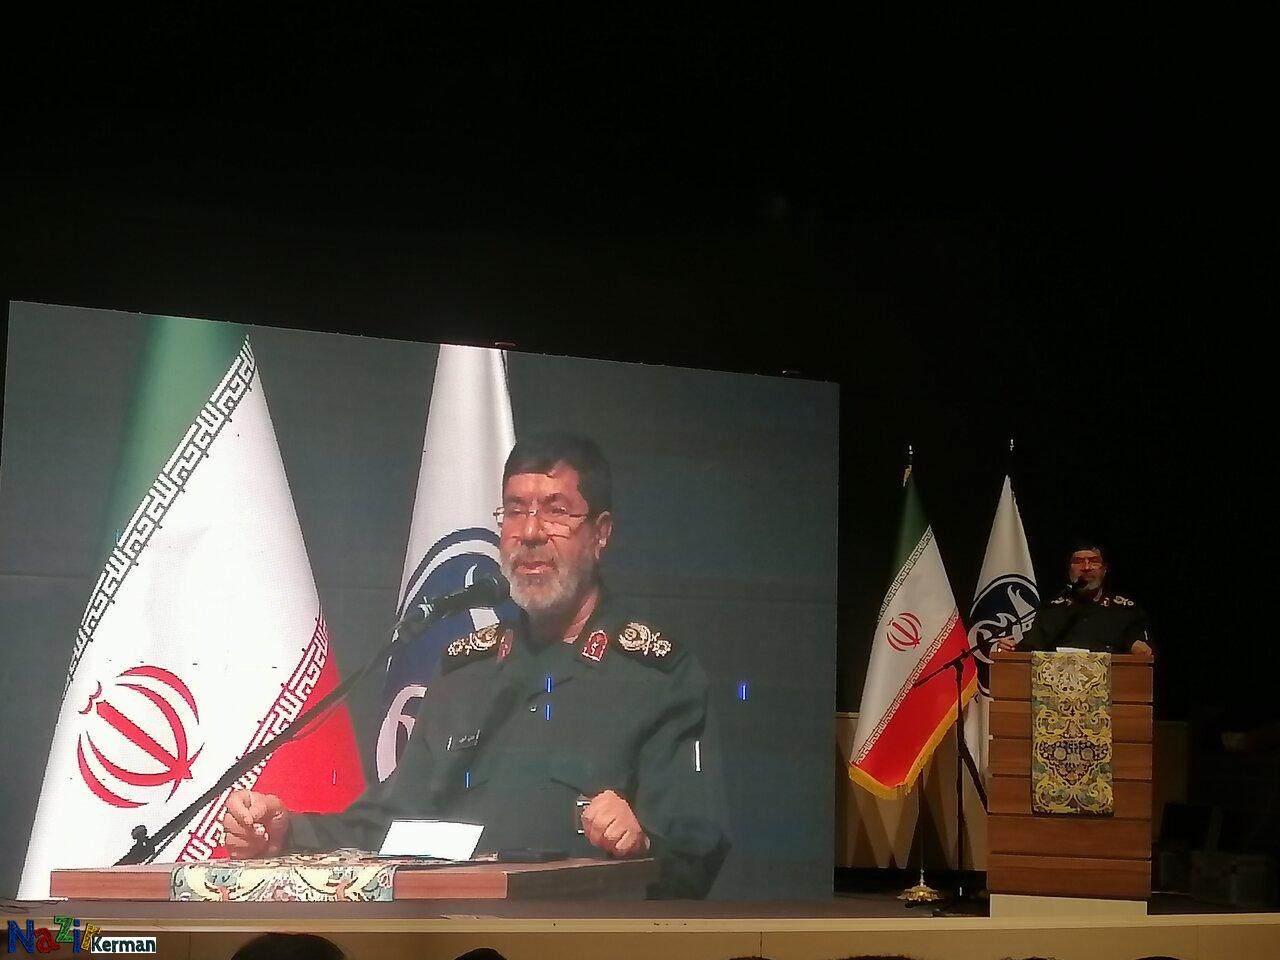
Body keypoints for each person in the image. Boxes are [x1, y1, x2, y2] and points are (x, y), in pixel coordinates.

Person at [222, 432, 729, 898]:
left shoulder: (654, 677)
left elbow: (696, 852)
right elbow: (390, 826)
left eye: (556, 512)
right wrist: (287, 832)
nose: (530, 532)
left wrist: (640, 841)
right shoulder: (467, 673)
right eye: (515, 511)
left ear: (600, 534)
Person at [997, 543, 1153, 655]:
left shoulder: (1125, 612)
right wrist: (1011, 649)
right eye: (1078, 562)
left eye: (1094, 561)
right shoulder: (1050, 611)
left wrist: (1139, 649)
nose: (1086, 567)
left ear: (1104, 569)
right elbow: (1029, 651)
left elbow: (1141, 649)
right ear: (1069, 569)